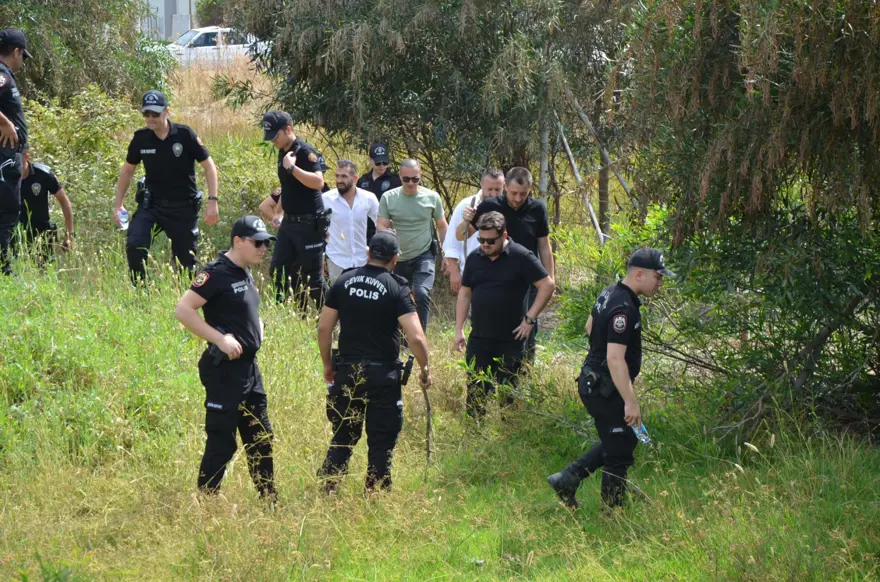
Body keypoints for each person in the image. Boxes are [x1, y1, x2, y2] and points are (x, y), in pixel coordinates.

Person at [546, 248, 674, 510]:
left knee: (621, 439)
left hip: (594, 380)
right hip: (605, 387)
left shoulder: (610, 292)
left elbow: (589, 326)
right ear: (640, 274)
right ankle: (613, 513)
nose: (660, 283)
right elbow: (616, 359)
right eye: (658, 277)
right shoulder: (624, 309)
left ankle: (568, 478)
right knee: (619, 451)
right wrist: (631, 401)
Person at [316, 231, 431, 492]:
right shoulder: (397, 287)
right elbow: (416, 337)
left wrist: (327, 365)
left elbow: (324, 329)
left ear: (368, 253)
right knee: (381, 439)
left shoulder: (344, 280)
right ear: (395, 258)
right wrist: (425, 369)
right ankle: (376, 492)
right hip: (383, 377)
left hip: (347, 372)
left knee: (344, 435)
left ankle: (327, 488)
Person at [174, 216, 277, 501]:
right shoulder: (216, 273)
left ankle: (269, 500)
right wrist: (219, 339)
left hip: (249, 370)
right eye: (257, 242)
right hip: (225, 372)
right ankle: (207, 501)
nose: (263, 248)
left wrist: (258, 329)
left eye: (266, 243)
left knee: (261, 438)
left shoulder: (245, 270)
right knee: (222, 441)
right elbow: (183, 310)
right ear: (238, 241)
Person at [454, 212, 555, 419]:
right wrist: (459, 330)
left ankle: (508, 439)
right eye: (481, 239)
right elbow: (465, 294)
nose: (485, 245)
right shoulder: (475, 257)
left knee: (508, 398)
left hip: (512, 340)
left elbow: (547, 285)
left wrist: (529, 320)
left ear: (504, 235)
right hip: (480, 338)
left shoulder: (521, 256)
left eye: (490, 240)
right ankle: (474, 437)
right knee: (475, 394)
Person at [113, 90, 219, 282]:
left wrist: (213, 200)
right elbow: (128, 170)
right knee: (135, 245)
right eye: (146, 114)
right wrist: (118, 204)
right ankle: (142, 295)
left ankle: (186, 301)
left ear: (167, 111)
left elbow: (209, 167)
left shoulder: (185, 135)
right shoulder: (141, 138)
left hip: (182, 208)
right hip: (152, 206)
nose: (151, 118)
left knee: (186, 263)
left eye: (155, 113)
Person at [465, 167, 554, 360]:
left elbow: (544, 247)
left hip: (527, 277)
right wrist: (466, 220)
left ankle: (524, 372)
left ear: (530, 189)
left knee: (528, 326)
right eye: (513, 193)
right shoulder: (489, 205)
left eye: (523, 194)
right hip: (492, 273)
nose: (517, 198)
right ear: (505, 186)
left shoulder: (537, 209)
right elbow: (462, 235)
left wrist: (550, 278)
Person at [259, 110, 328, 308]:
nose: (273, 141)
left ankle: (332, 318)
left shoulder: (305, 152)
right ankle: (290, 311)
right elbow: (287, 188)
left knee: (313, 279)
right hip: (289, 223)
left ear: (288, 129)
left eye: (275, 136)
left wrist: (292, 168)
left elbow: (319, 183)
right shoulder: (282, 152)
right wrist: (278, 214)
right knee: (278, 270)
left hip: (308, 223)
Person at [377, 159, 448, 332]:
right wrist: (387, 232)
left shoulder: (432, 197)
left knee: (422, 294)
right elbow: (380, 225)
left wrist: (447, 254)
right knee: (399, 297)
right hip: (397, 257)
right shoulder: (389, 197)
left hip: (423, 254)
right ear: (400, 176)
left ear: (420, 175)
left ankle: (419, 336)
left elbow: (442, 225)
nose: (410, 183)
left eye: (415, 179)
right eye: (406, 179)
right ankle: (400, 336)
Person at [442, 168, 504, 293]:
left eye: (497, 189)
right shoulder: (467, 206)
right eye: (489, 189)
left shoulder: (507, 206)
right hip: (472, 272)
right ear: (482, 185)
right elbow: (452, 242)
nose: (493, 194)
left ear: (504, 186)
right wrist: (455, 272)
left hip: (503, 272)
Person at [0, 28, 30, 276]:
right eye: (23, 55)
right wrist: (5, 123)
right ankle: (4, 270)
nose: (22, 61)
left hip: (12, 155)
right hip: (4, 157)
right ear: (16, 51)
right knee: (7, 211)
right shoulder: (2, 75)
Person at [321, 160, 379, 285]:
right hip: (336, 260)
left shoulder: (368, 198)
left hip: (362, 260)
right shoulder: (326, 199)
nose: (339, 180)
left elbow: (380, 225)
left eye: (344, 176)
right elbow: (317, 229)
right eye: (337, 176)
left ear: (355, 178)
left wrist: (374, 252)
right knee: (337, 301)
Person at [17, 144, 75, 260]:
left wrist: (70, 234)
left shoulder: (42, 174)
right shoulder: (5, 175)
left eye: (16, 158)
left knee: (43, 271)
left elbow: (64, 201)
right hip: (15, 232)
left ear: (26, 156)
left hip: (41, 234)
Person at [358, 143, 401, 242]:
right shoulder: (363, 181)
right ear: (370, 161)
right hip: (366, 230)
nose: (381, 166)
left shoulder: (395, 180)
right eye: (378, 163)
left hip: (387, 229)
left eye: (384, 163)